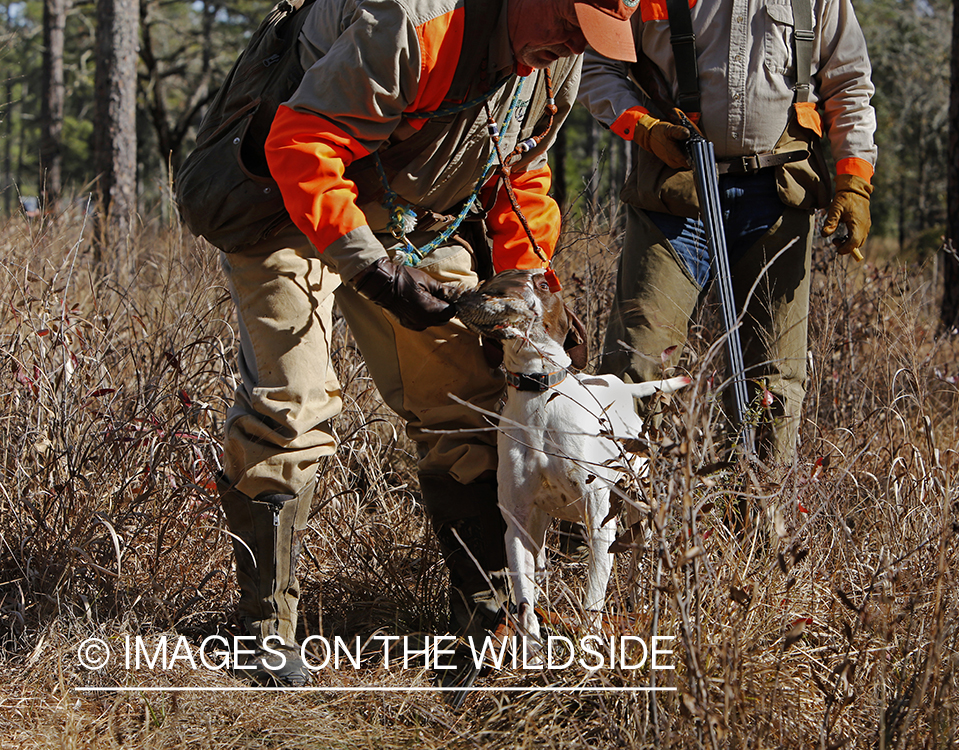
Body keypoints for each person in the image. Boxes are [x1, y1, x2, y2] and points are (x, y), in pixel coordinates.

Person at [212, 0, 639, 687]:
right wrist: (371, 272)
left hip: (409, 215)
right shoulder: (413, 22)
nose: (568, 46)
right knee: (291, 404)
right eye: (566, 24)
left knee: (472, 403)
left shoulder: (551, 65)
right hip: (283, 201)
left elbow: (519, 175)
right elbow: (300, 144)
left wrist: (527, 281)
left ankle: (491, 616)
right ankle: (263, 631)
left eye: (585, 38)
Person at [578, 0, 877, 465]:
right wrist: (646, 128)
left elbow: (849, 83)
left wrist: (854, 179)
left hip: (776, 198)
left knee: (773, 386)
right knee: (635, 369)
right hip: (674, 195)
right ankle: (620, 528)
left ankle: (755, 528)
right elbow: (597, 67)